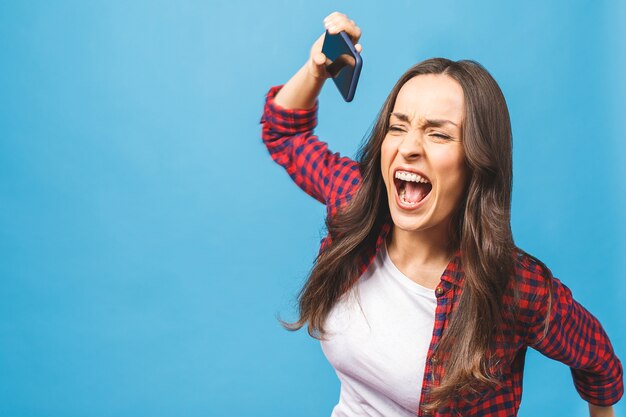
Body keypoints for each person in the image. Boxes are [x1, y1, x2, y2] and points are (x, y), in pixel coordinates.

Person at [259, 11, 623, 417]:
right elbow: (283, 133)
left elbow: (599, 362)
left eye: (438, 133)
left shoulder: (512, 288)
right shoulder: (356, 200)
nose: (409, 147)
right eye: (398, 128)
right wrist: (317, 68)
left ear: (477, 162)